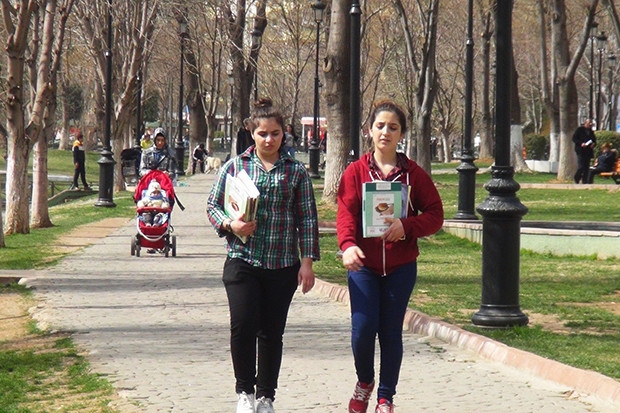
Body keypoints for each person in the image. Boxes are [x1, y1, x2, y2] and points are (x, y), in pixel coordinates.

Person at [207, 97, 320, 413]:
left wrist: (307, 262)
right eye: (263, 134)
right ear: (252, 134)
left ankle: (266, 397)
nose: (269, 139)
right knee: (243, 324)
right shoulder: (235, 166)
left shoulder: (295, 172)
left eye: (275, 133)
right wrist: (232, 224)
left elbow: (307, 218)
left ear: (284, 134)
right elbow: (213, 206)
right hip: (243, 260)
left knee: (271, 332)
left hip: (282, 264)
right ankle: (244, 392)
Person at [337, 99, 444, 413]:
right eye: (380, 125)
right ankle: (365, 382)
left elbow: (436, 215)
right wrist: (347, 245)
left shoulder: (413, 175)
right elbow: (345, 214)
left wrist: (407, 226)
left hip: (400, 267)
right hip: (363, 266)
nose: (385, 132)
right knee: (363, 329)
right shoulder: (356, 172)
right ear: (370, 130)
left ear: (401, 134)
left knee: (390, 331)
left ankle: (385, 397)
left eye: (393, 127)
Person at [572, 119, 596, 184]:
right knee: (581, 166)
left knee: (586, 167)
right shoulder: (579, 130)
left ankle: (584, 180)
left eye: (591, 124)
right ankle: (576, 178)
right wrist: (581, 143)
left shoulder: (591, 132)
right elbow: (574, 139)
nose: (590, 125)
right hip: (581, 151)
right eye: (589, 123)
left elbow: (594, 140)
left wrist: (593, 144)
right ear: (585, 123)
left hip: (588, 151)